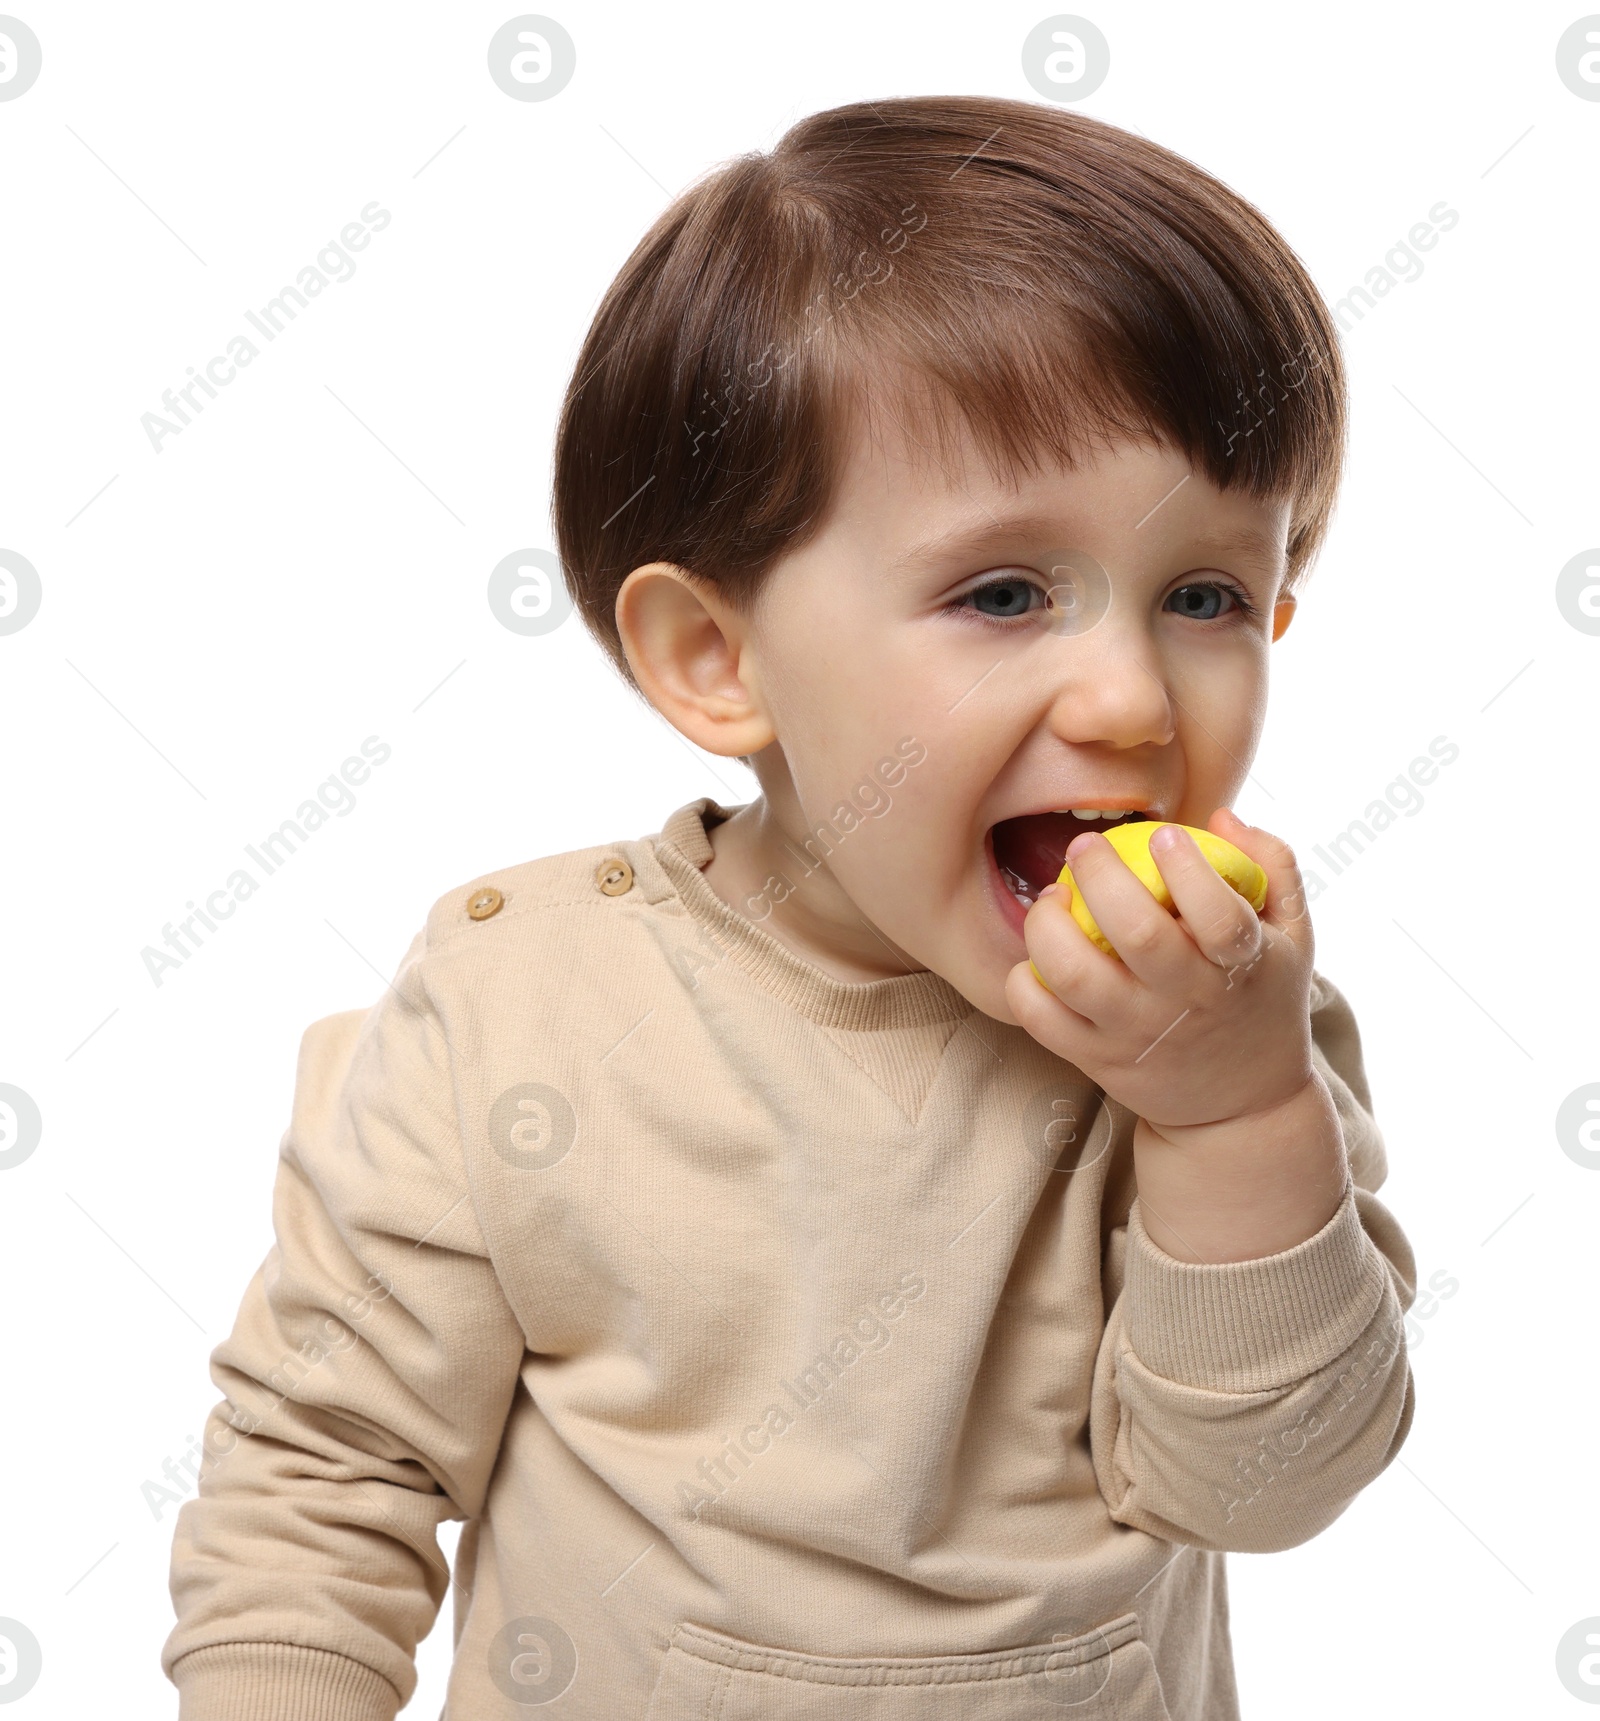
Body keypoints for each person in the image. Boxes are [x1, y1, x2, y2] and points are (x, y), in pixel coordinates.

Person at [162, 94, 1415, 1720]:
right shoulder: (518, 1005)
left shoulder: (1227, 1024)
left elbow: (1265, 1486)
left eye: (1205, 597)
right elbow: (324, 1476)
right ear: (718, 658)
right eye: (1003, 592)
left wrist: (1234, 1118)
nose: (1126, 696)